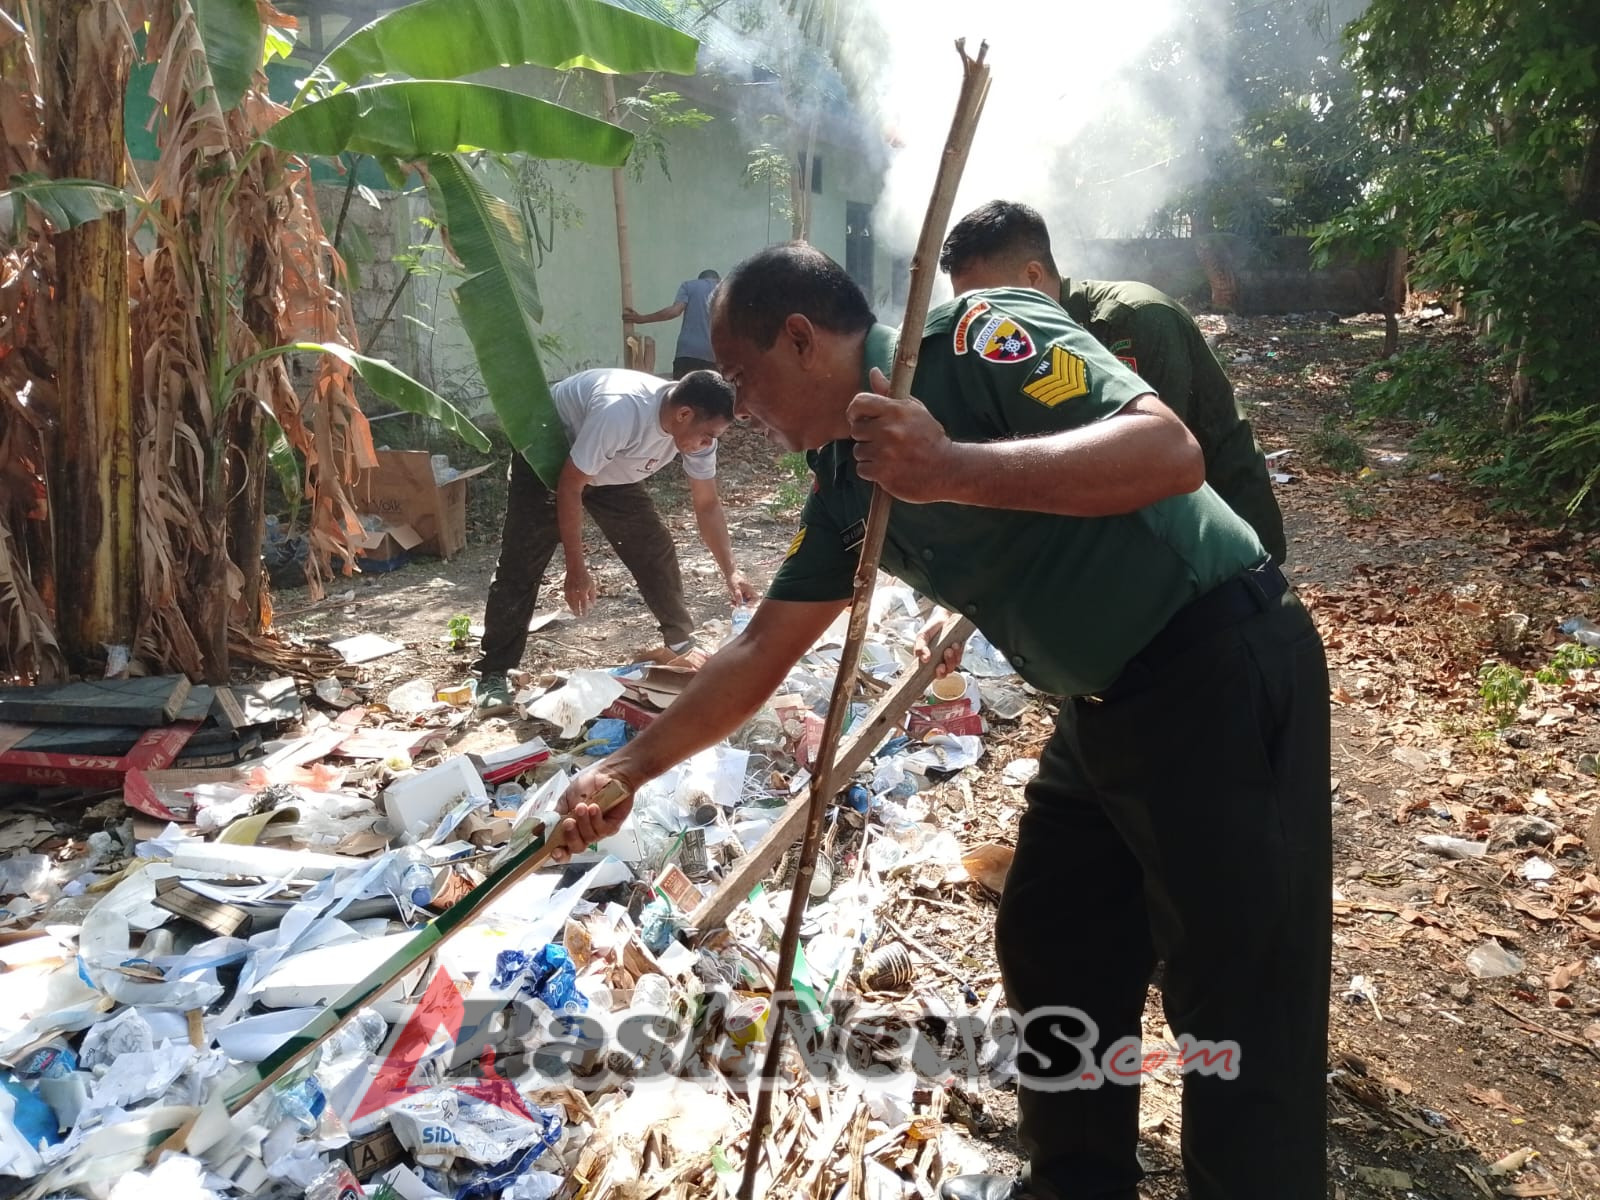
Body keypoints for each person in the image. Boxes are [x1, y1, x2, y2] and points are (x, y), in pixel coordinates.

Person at [556, 244, 1331, 1200]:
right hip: (1100, 705)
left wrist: (951, 466)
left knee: (1237, 996)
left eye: (748, 380)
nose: (742, 409)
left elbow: (1169, 453)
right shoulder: (844, 483)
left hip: (1217, 663)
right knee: (1055, 938)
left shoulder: (975, 338)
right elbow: (762, 650)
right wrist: (626, 768)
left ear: (802, 339)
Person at [941, 200, 1287, 564]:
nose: (980, 319)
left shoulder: (1133, 320)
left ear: (1031, 276)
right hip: (1160, 554)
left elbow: (1151, 466)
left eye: (986, 301)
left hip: (1227, 552)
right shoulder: (1034, 345)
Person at [472, 368, 757, 714]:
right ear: (683, 414)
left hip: (609, 466)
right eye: (708, 436)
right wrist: (576, 569)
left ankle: (680, 640)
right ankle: (493, 673)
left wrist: (731, 570)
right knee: (521, 563)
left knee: (654, 547)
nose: (708, 445)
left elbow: (707, 504)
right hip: (550, 454)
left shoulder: (694, 427)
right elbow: (571, 485)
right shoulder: (621, 411)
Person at [623, 268, 721, 379]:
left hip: (687, 352)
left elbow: (674, 312)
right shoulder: (724, 290)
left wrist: (642, 319)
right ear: (717, 279)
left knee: (683, 392)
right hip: (715, 355)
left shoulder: (689, 286)